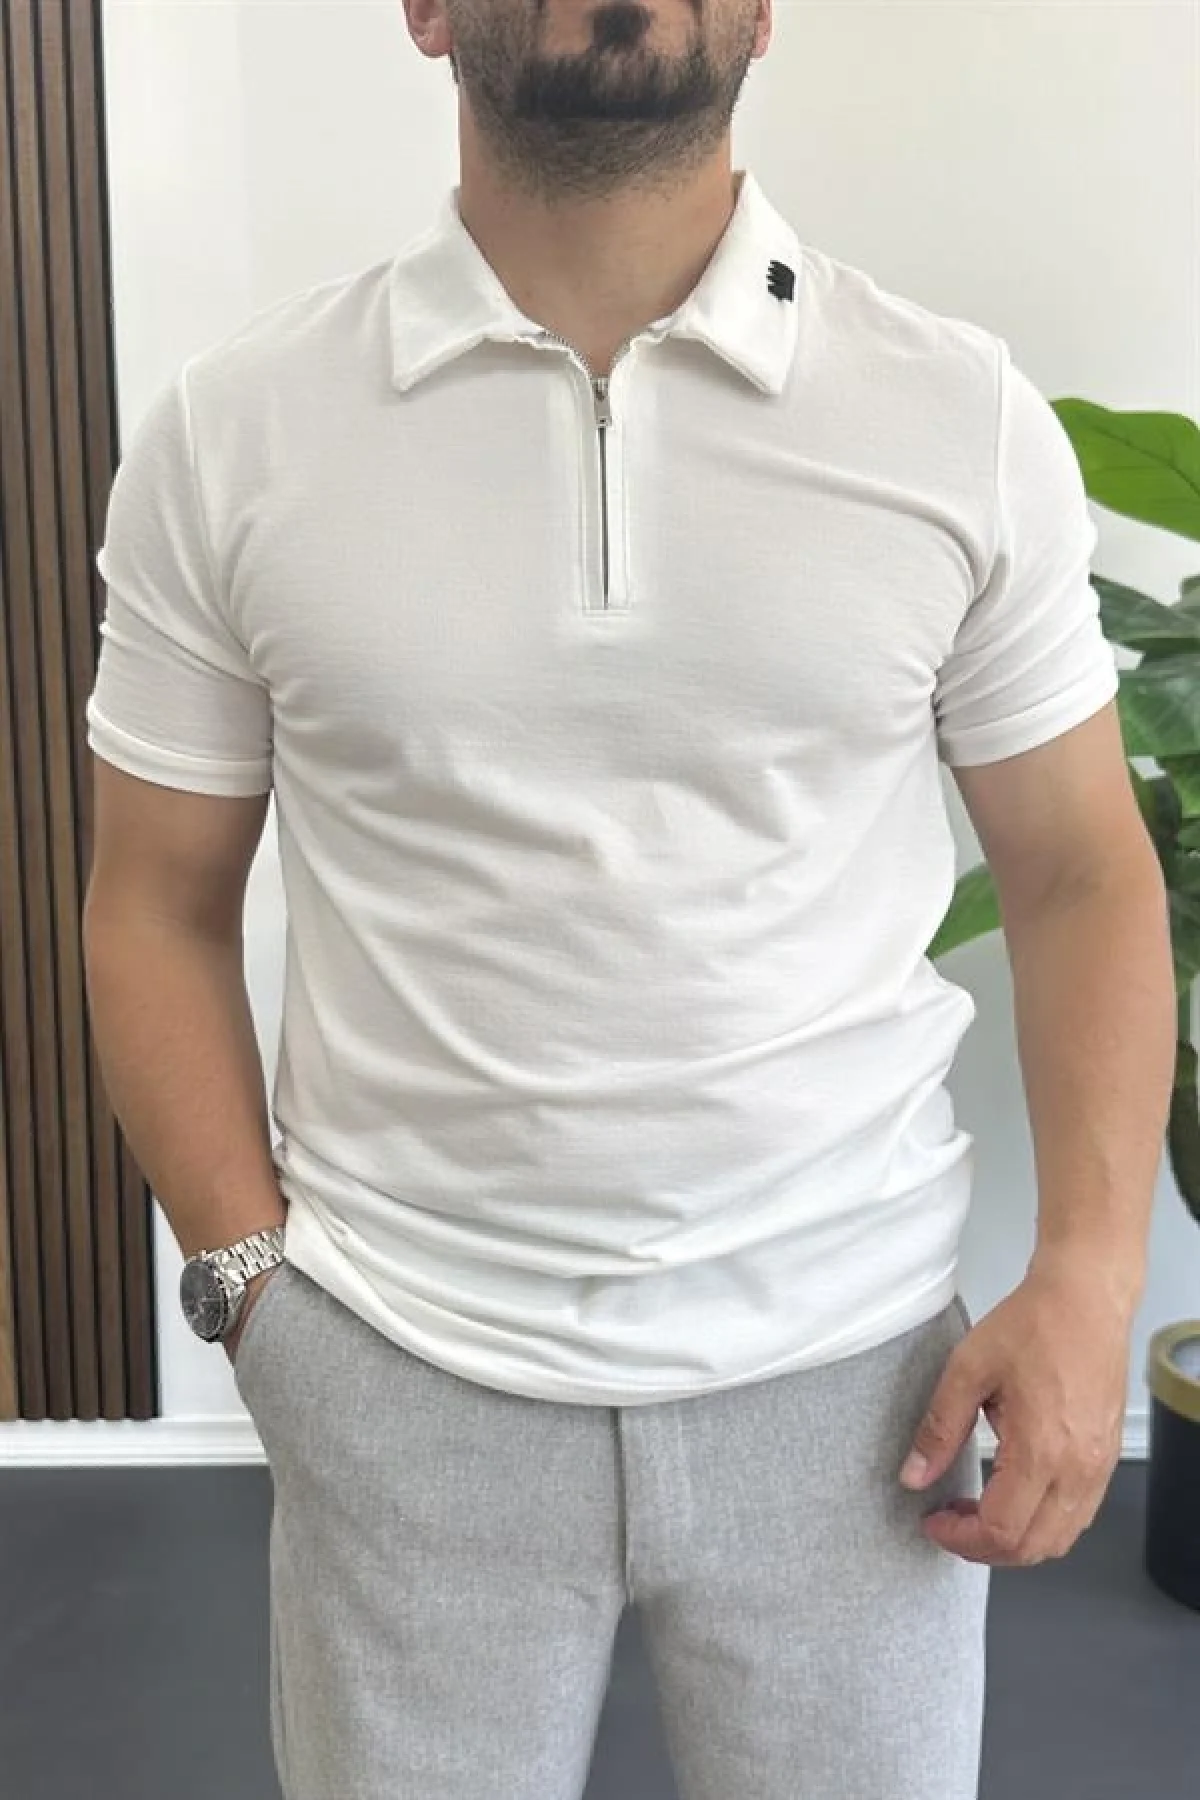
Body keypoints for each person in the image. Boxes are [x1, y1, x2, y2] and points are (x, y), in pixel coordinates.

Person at [80, 3, 1173, 1798]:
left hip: (859, 1391)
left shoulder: (956, 419)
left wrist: (1089, 1270)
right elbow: (152, 902)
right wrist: (253, 1292)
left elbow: (1077, 870)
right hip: (403, 1369)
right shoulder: (234, 434)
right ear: (423, 10)